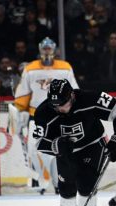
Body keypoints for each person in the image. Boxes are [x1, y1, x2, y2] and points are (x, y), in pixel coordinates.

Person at [32, 79, 116, 206]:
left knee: (87, 185)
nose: (58, 109)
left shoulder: (90, 98)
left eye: (62, 104)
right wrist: (55, 145)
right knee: (65, 185)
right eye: (54, 105)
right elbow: (38, 142)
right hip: (65, 151)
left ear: (71, 96)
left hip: (92, 145)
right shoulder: (44, 112)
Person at [14, 37, 79, 194]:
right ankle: (41, 181)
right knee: (34, 150)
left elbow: (74, 91)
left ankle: (58, 184)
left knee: (59, 150)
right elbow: (23, 92)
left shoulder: (65, 67)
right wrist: (21, 110)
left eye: (49, 48)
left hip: (59, 115)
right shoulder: (30, 69)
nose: (47, 51)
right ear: (39, 49)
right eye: (44, 48)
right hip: (35, 116)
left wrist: (74, 110)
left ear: (54, 49)